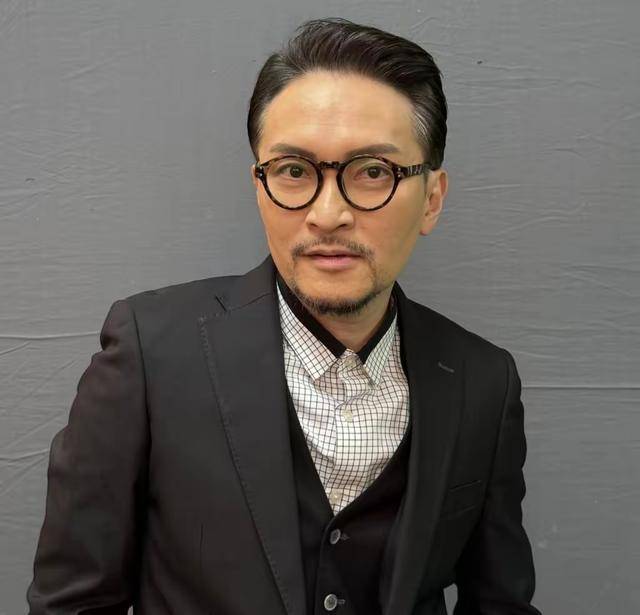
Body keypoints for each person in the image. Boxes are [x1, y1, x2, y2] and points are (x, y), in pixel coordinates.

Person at [27, 17, 541, 615]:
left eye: (373, 171)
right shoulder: (149, 353)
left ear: (432, 199)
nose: (327, 214)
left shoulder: (483, 381)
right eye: (294, 171)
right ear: (259, 186)